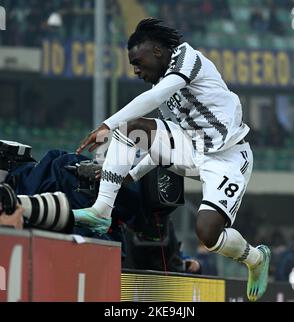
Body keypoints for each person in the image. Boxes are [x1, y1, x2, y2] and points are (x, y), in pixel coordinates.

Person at [74, 18, 271, 301]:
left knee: (207, 232)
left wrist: (107, 124)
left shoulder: (187, 59)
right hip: (193, 149)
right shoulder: (166, 88)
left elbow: (155, 97)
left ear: (157, 50)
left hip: (227, 156)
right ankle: (101, 211)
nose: (136, 71)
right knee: (132, 128)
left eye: (138, 62)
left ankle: (255, 258)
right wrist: (132, 175)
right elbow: (164, 142)